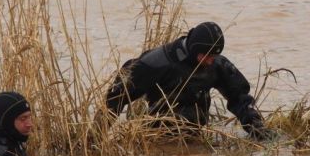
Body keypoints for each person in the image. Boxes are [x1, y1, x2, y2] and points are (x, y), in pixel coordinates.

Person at [103, 21, 274, 140]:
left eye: (214, 56)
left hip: (195, 135)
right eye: (206, 56)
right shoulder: (158, 62)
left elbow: (239, 98)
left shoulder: (216, 64)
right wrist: (97, 134)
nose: (210, 61)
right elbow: (116, 97)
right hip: (158, 139)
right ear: (194, 49)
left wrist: (257, 128)